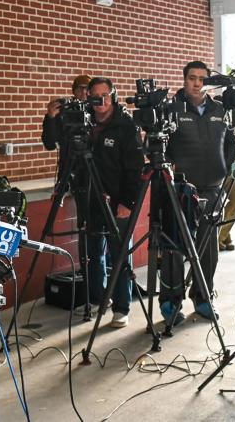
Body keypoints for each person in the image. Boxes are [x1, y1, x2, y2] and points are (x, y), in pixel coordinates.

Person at [160, 61, 235, 323]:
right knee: (174, 248)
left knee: (209, 249)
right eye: (192, 78)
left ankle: (203, 298)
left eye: (202, 79)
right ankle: (170, 303)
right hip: (180, 190)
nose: (196, 83)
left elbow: (232, 142)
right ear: (184, 80)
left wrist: (223, 169)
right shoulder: (171, 109)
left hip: (213, 189)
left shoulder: (219, 109)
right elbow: (162, 146)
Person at [84, 77, 144, 328]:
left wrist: (128, 202)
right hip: (90, 198)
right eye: (95, 96)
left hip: (119, 201)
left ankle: (122, 307)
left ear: (114, 96)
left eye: (105, 95)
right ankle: (99, 299)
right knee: (93, 253)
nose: (101, 101)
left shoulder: (125, 125)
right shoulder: (84, 123)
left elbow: (135, 168)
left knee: (120, 254)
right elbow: (56, 144)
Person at [42, 74, 92, 179]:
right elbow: (49, 144)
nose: (83, 92)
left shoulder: (97, 112)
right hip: (68, 166)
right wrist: (51, 117)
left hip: (93, 167)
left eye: (87, 88)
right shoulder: (62, 111)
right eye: (80, 88)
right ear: (74, 91)